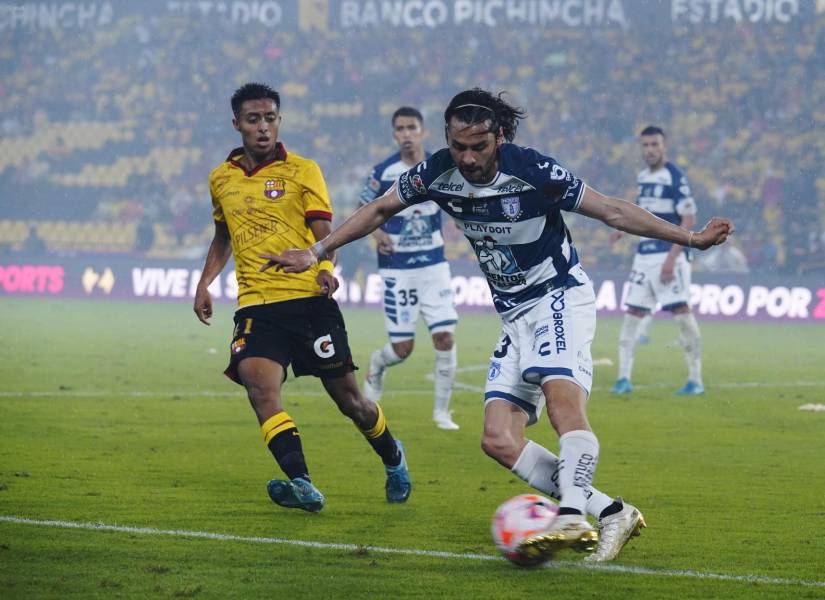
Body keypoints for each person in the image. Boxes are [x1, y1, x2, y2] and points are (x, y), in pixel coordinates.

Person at [261, 89, 734, 561]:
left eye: (478, 147)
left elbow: (611, 208)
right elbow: (381, 208)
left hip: (559, 296)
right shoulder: (435, 172)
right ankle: (611, 510)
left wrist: (688, 238)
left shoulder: (533, 170)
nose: (466, 158)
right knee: (498, 440)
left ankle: (570, 515)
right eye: (458, 146)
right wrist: (317, 251)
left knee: (561, 399)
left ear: (499, 137)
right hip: (514, 314)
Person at [193, 82, 411, 513]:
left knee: (351, 402)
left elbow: (324, 233)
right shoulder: (221, 178)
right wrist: (205, 283)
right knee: (261, 391)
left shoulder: (303, 170)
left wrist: (326, 268)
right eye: (253, 119)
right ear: (236, 124)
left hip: (308, 301)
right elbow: (223, 236)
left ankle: (393, 456)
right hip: (256, 306)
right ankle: (302, 482)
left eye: (270, 118)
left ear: (279, 120)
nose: (262, 127)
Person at [359, 107, 459, 431]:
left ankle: (442, 412)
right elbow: (363, 208)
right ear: (394, 134)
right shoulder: (383, 172)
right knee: (402, 349)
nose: (406, 134)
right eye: (400, 129)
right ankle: (377, 363)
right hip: (396, 270)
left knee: (445, 338)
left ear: (422, 131)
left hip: (434, 267)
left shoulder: (440, 167)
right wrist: (376, 232)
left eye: (411, 128)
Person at [610, 126, 705, 396]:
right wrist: (622, 229)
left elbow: (688, 220)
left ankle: (695, 379)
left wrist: (671, 259)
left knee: (681, 312)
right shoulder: (643, 176)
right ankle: (623, 378)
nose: (650, 150)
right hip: (644, 255)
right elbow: (643, 213)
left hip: (669, 255)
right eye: (646, 145)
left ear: (664, 147)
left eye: (655, 144)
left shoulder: (674, 177)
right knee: (632, 315)